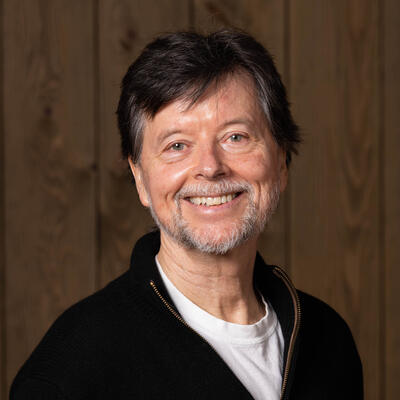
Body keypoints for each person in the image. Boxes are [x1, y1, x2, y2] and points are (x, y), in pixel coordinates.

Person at [10, 29, 363, 399]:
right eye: (177, 145)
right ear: (141, 179)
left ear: (281, 161)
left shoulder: (327, 341)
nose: (210, 167)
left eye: (236, 137)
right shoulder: (72, 372)